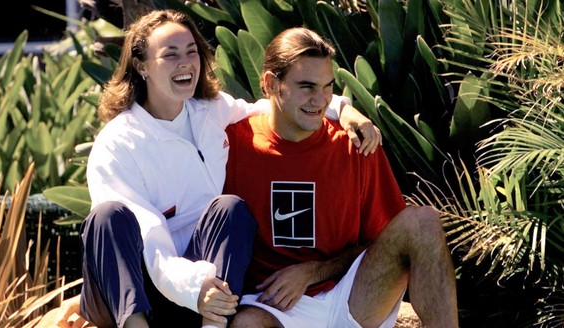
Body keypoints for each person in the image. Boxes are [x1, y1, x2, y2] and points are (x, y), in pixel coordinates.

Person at [42, 9, 381, 328]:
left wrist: (344, 109)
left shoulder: (210, 112)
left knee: (230, 209)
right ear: (142, 65)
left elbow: (274, 104)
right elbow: (151, 241)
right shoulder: (117, 144)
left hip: (201, 288)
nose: (185, 62)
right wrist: (195, 287)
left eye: (191, 51)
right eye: (170, 54)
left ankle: (214, 324)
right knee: (108, 217)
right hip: (138, 287)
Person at [223, 27, 459, 328]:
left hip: (350, 295)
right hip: (271, 306)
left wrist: (314, 271)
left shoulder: (356, 145)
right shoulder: (232, 145)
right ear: (271, 84)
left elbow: (378, 243)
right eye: (307, 86)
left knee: (423, 222)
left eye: (327, 87)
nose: (319, 100)